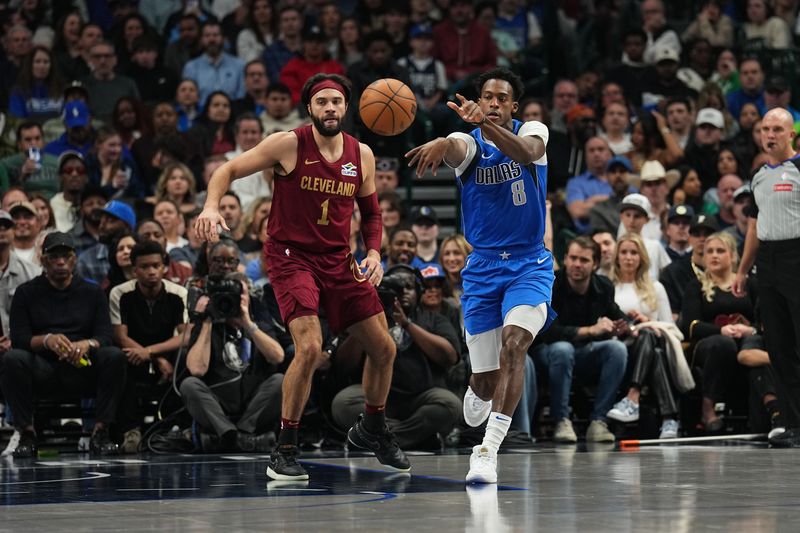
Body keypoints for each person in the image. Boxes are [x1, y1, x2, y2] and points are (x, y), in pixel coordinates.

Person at [195, 73, 409, 480]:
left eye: (337, 102)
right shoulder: (288, 143)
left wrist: (376, 252)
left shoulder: (360, 153)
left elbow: (373, 213)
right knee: (309, 347)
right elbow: (228, 169)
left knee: (384, 349)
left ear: (347, 107)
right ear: (309, 108)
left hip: (338, 258)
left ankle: (373, 427)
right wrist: (210, 206)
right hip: (290, 256)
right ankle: (285, 448)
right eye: (322, 102)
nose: (330, 108)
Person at [406, 67, 553, 483]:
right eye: (487, 97)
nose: (493, 103)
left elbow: (525, 152)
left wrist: (485, 125)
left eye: (501, 98)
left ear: (514, 105)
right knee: (486, 380)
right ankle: (477, 389)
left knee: (515, 344)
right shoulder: (470, 144)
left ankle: (487, 450)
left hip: (529, 263)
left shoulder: (534, 131)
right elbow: (455, 148)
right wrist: (442, 140)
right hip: (483, 269)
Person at [1, 232, 126, 457]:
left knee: (113, 355)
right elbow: (19, 339)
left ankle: (101, 432)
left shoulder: (92, 292)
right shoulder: (26, 292)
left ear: (74, 259)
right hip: (43, 366)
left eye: (65, 256)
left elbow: (105, 335)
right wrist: (47, 340)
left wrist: (87, 344)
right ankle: (27, 433)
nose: (60, 262)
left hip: (82, 364)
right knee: (12, 359)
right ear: (43, 259)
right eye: (54, 256)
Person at [331, 264, 462, 450]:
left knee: (451, 404)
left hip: (419, 398)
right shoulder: (365, 319)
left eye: (408, 288)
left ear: (419, 291)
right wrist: (368, 319)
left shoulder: (434, 319)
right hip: (376, 397)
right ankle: (415, 438)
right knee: (342, 403)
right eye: (395, 289)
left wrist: (407, 324)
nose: (403, 293)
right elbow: (343, 365)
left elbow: (450, 357)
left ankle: (376, 437)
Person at [734, 108, 800, 446]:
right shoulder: (758, 176)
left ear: (791, 135)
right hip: (769, 263)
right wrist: (743, 270)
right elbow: (754, 228)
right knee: (779, 345)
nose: (770, 135)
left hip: (796, 254)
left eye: (777, 129)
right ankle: (792, 424)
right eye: (765, 129)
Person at [531, 237, 628, 443]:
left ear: (595, 264)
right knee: (563, 349)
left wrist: (624, 326)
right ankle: (561, 420)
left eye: (584, 260)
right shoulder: (551, 285)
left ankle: (599, 421)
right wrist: (590, 331)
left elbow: (617, 315)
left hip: (582, 354)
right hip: (547, 353)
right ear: (565, 259)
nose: (577, 264)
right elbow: (545, 332)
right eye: (573, 258)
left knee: (617, 349)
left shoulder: (603, 286)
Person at [109, 240, 189, 452]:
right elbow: (120, 336)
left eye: (156, 266)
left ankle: (163, 428)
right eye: (144, 267)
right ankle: (131, 430)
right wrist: (151, 357)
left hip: (166, 354)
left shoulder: (178, 293)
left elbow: (186, 336)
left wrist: (152, 352)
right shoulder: (120, 293)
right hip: (133, 354)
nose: (151, 271)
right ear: (134, 270)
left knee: (187, 357)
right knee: (117, 358)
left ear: (164, 267)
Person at [605, 233, 682, 439]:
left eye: (634, 253)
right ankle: (670, 418)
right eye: (624, 252)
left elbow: (670, 327)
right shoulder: (607, 286)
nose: (629, 257)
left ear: (642, 258)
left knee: (648, 335)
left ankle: (632, 398)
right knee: (654, 351)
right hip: (620, 348)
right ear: (617, 256)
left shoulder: (656, 287)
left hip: (651, 341)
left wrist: (645, 320)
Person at [684, 232, 760, 433]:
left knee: (754, 347)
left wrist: (750, 329)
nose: (714, 255)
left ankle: (762, 411)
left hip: (745, 340)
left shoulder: (749, 283)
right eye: (709, 252)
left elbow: (764, 318)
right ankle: (707, 408)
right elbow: (689, 325)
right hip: (708, 345)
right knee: (723, 344)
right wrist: (721, 330)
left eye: (720, 251)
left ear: (733, 256)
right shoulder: (696, 286)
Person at [0, 209, 41, 342]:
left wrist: (16, 341)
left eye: (6, 226)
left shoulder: (33, 272)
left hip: (19, 344)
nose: (2, 229)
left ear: (13, 232)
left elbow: (38, 317)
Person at [182, 20, 245, 105]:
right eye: (207, 36)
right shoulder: (191, 67)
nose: (211, 39)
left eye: (215, 35)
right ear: (201, 40)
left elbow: (241, 96)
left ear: (223, 39)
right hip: (201, 116)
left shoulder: (239, 65)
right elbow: (189, 98)